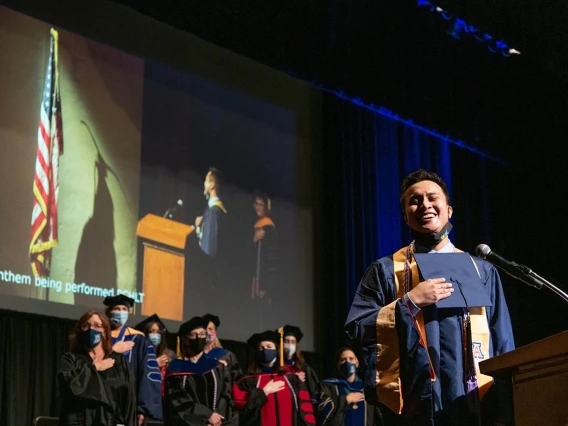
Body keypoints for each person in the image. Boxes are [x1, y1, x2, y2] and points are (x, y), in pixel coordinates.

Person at [344, 169, 515, 425]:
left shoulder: (482, 271)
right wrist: (408, 303)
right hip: (412, 408)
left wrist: (504, 410)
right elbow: (358, 328)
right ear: (405, 216)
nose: (425, 205)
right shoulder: (385, 270)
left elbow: (503, 343)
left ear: (449, 210)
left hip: (475, 406)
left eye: (432, 198)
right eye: (415, 200)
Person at [58, 310, 136, 425]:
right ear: (80, 330)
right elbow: (69, 387)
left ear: (104, 331)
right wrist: (95, 367)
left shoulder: (118, 361)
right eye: (86, 326)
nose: (91, 329)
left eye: (97, 326)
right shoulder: (71, 359)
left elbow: (129, 400)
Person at [163, 316, 237, 426]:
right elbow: (178, 402)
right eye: (194, 335)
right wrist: (207, 416)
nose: (199, 338)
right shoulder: (176, 369)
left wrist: (217, 418)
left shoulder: (217, 366)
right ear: (185, 339)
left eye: (202, 334)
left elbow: (226, 395)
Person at [232, 330, 316, 426]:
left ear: (277, 350)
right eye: (261, 348)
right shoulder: (248, 381)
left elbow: (306, 411)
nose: (265, 351)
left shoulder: (292, 380)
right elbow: (242, 411)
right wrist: (263, 392)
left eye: (269, 347)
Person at [103, 295, 162, 424]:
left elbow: (148, 374)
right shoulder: (101, 336)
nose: (120, 312)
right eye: (117, 308)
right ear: (108, 312)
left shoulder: (138, 339)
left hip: (128, 403)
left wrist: (142, 408)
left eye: (124, 309)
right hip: (103, 399)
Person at [313, 347, 383, 426]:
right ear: (338, 364)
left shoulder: (367, 388)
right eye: (343, 360)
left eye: (351, 359)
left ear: (357, 363)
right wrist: (345, 400)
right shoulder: (328, 386)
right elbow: (319, 410)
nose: (347, 362)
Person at [135, 313, 176, 388]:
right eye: (151, 331)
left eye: (158, 332)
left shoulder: (169, 355)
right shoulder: (138, 353)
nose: (155, 335)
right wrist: (154, 364)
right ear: (146, 334)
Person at [251, 192, 279, 301]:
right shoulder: (256, 224)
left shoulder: (268, 227)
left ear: (266, 208)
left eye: (260, 205)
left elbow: (271, 258)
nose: (257, 207)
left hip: (264, 278)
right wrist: (254, 240)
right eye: (256, 204)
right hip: (255, 274)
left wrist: (267, 285)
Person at [195, 167, 227, 258]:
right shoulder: (210, 210)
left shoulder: (214, 212)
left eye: (206, 181)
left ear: (212, 185)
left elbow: (208, 247)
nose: (204, 184)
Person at [202, 313, 243, 385]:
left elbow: (237, 381)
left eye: (210, 329)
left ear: (215, 333)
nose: (207, 332)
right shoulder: (194, 356)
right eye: (204, 329)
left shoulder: (227, 356)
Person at [280, 325, 320, 395]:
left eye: (293, 342)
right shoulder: (275, 366)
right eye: (286, 341)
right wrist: (294, 379)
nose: (290, 344)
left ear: (296, 345)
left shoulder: (304, 368)